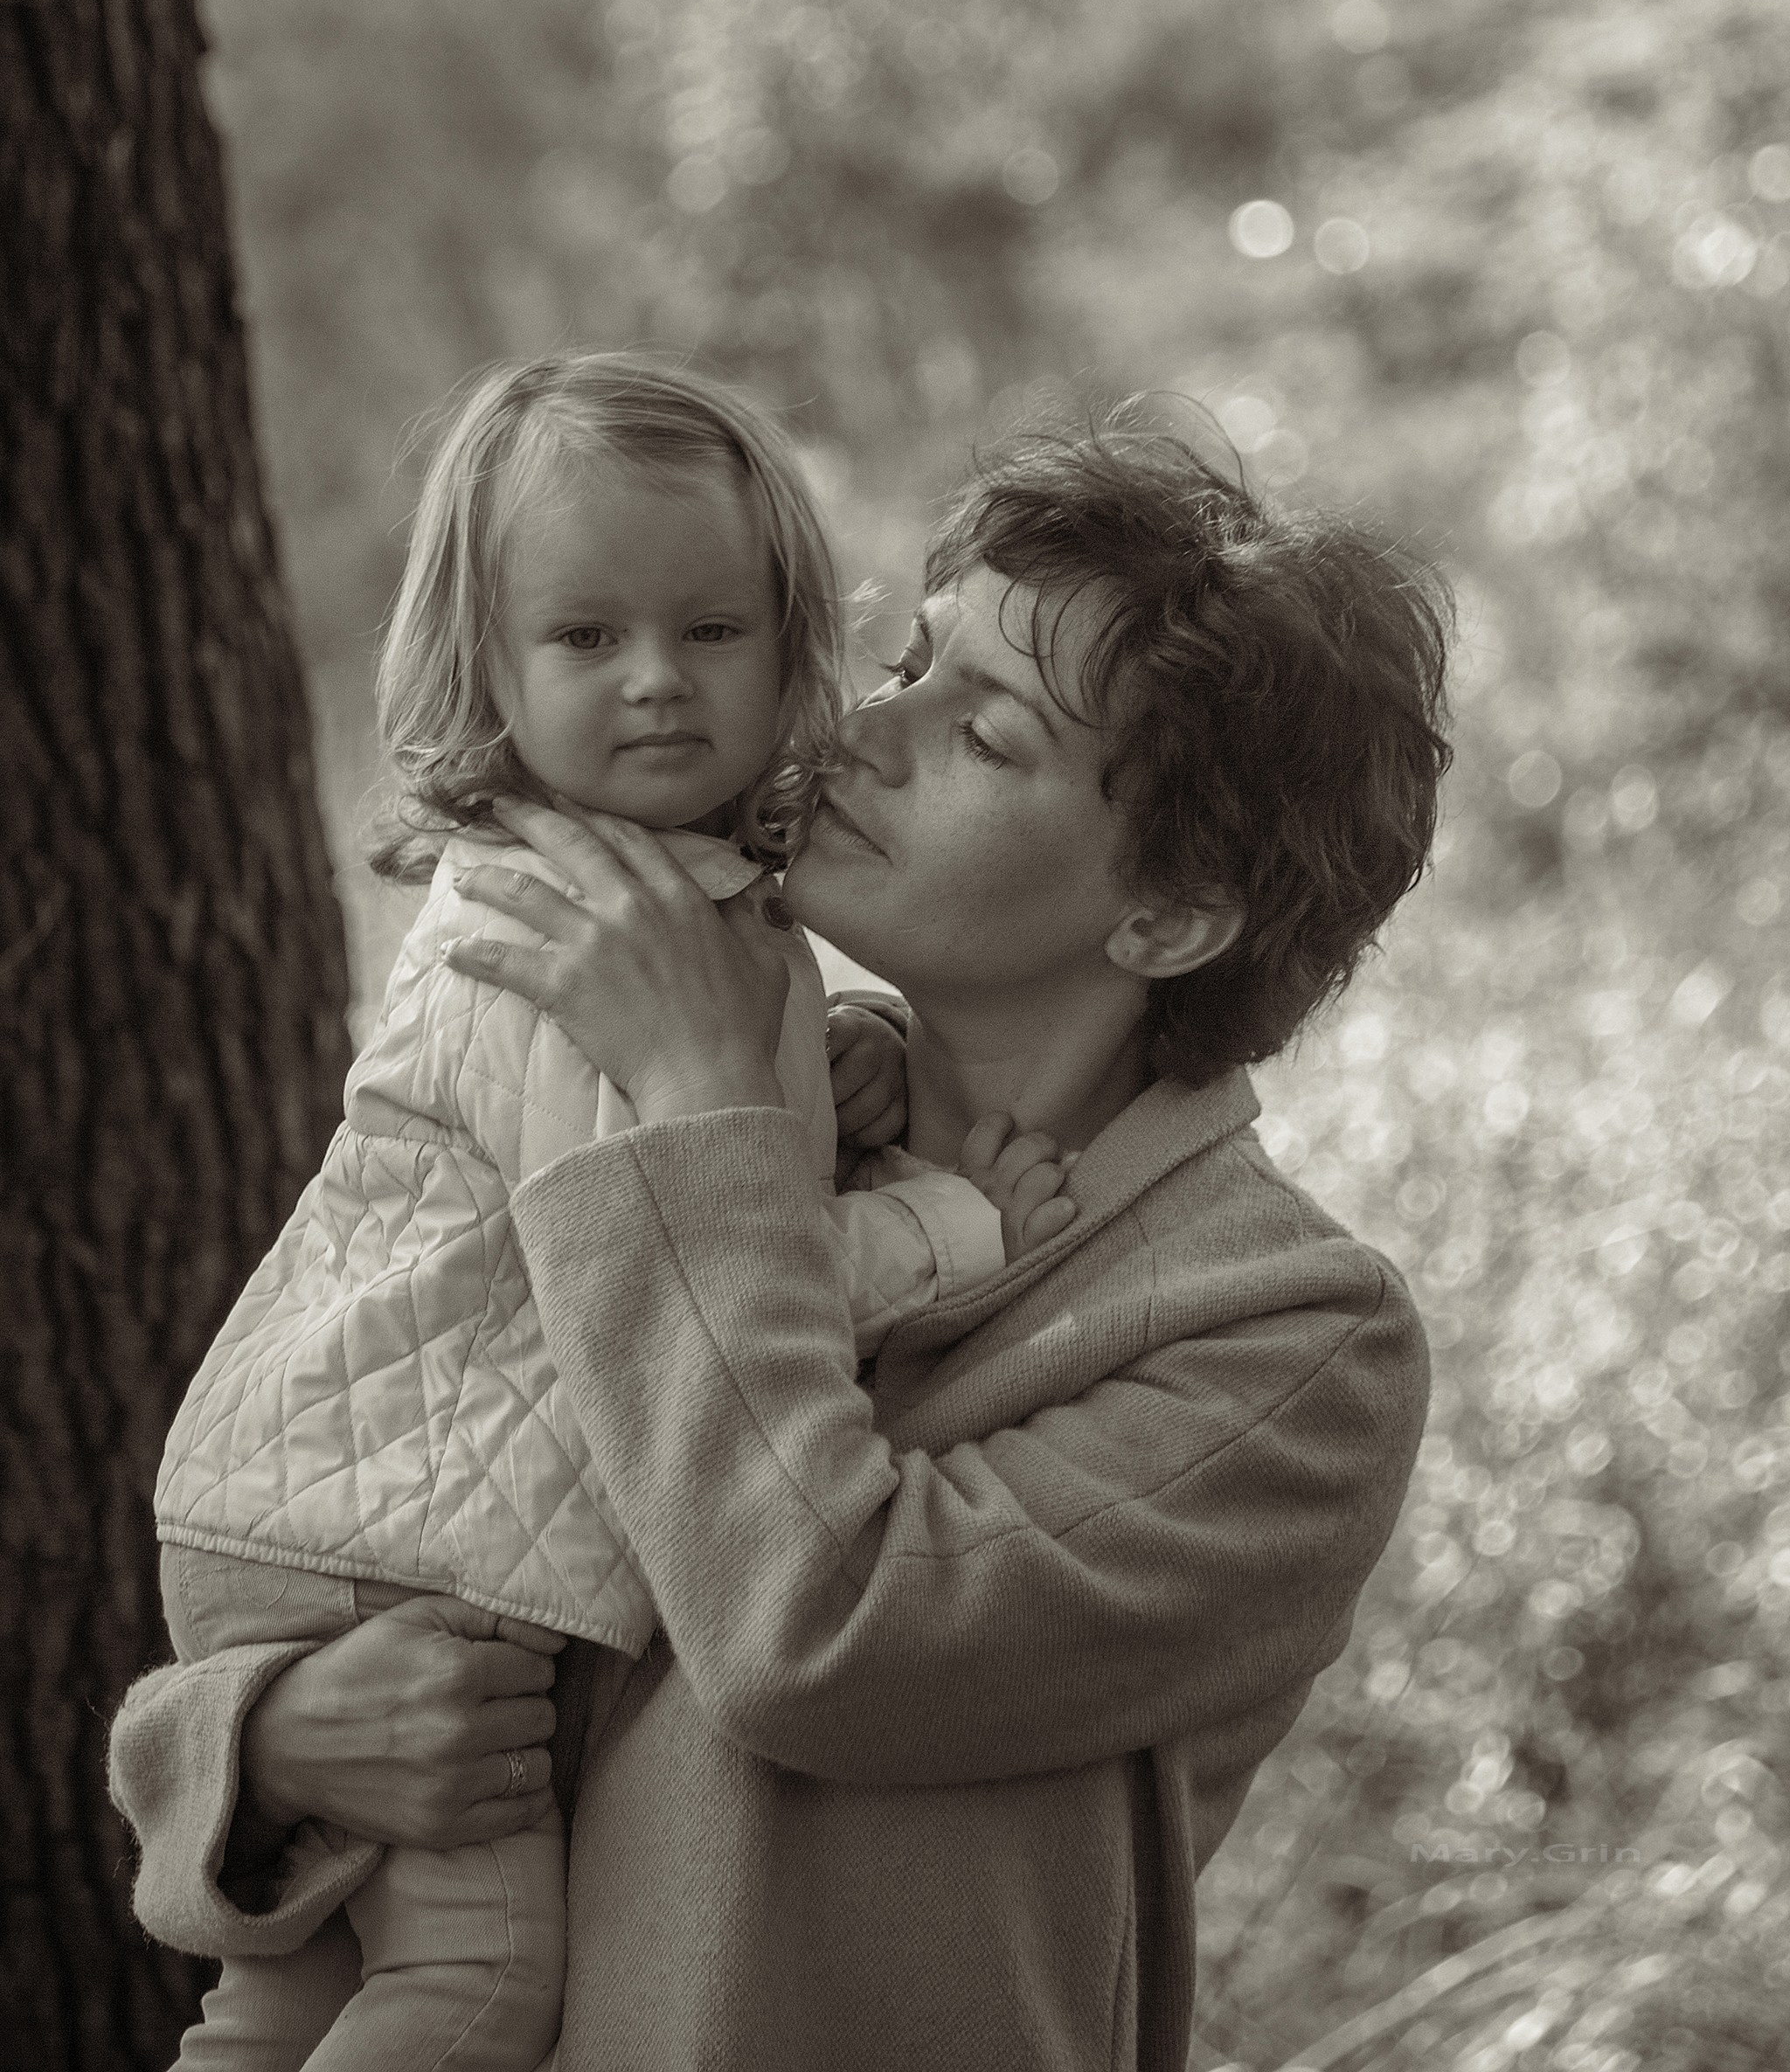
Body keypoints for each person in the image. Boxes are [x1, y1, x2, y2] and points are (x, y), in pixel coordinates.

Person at [112, 405, 1449, 2072]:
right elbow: (437, 1501)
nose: (870, 734)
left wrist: (698, 1113)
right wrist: (262, 1749)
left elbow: (821, 1632)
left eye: (993, 737)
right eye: (909, 665)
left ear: (1166, 915)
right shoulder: (759, 1104)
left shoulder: (1285, 1343)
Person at [138, 352, 1072, 2069]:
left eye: (711, 632)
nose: (656, 682)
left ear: (794, 639)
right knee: (469, 1987)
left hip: (327, 1495)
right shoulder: (587, 935)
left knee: (289, 1994)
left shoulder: (661, 898)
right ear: (486, 667)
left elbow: (696, 1148)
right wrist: (946, 1225)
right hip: (396, 1548)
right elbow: (667, 1259)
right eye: (585, 639)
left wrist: (823, 1081)